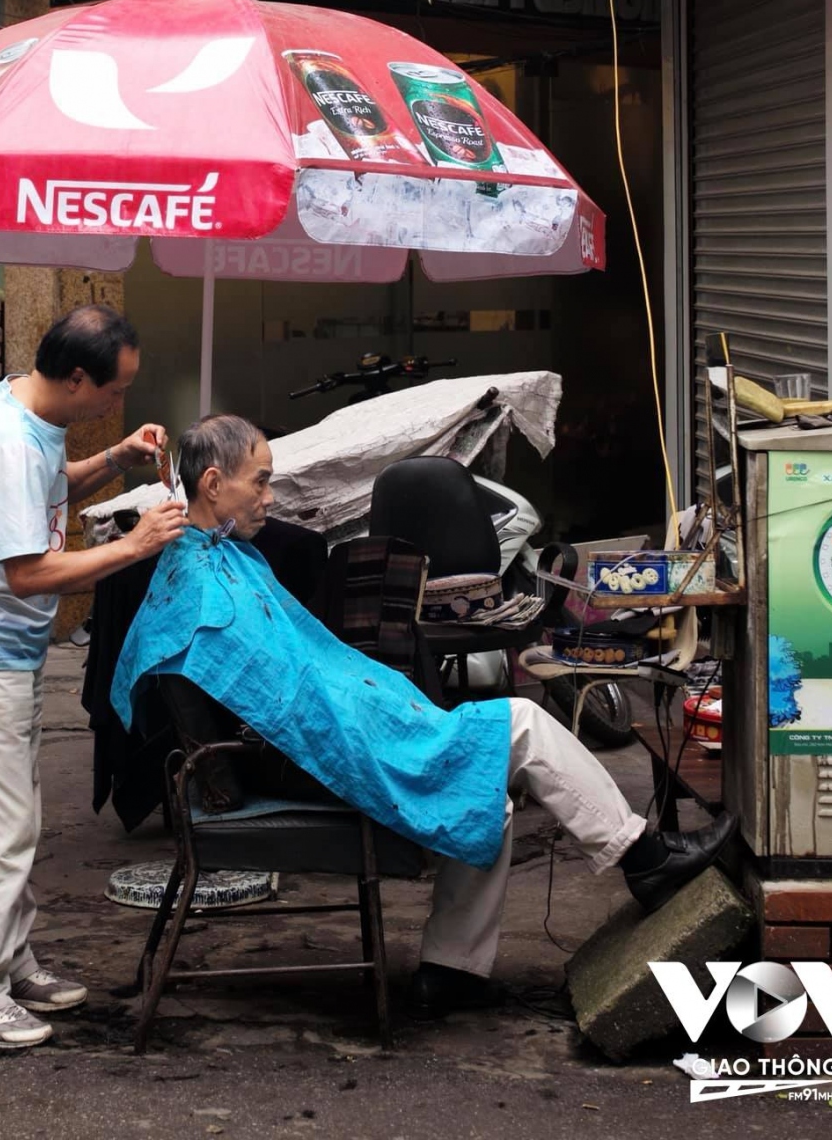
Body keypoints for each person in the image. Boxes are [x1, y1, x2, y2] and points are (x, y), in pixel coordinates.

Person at [113, 416, 738, 1017]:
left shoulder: (213, 560)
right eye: (261, 481)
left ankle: (451, 973)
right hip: (293, 759)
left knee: (486, 793)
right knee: (518, 722)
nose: (270, 498)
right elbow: (286, 705)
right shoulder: (200, 583)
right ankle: (645, 858)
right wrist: (383, 721)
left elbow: (298, 679)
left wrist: (380, 703)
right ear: (215, 483)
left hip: (303, 741)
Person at [0, 306, 186, 1049]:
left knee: (16, 822)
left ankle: (7, 960)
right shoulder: (9, 439)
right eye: (113, 392)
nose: (116, 404)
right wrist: (133, 546)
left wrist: (114, 460)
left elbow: (45, 484)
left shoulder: (21, 399)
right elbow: (30, 572)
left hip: (4, 653)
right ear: (75, 377)